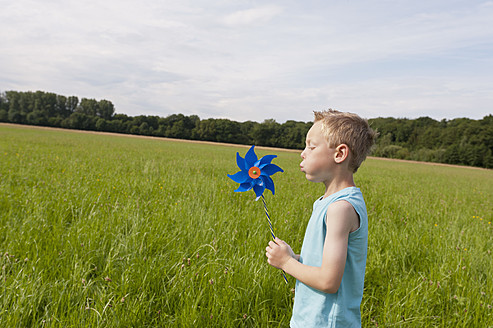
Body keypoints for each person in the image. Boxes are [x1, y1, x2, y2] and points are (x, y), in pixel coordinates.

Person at [265, 109, 377, 327]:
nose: (303, 153)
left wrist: (286, 262)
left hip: (327, 322)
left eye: (311, 146)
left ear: (339, 154)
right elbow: (324, 265)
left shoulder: (340, 208)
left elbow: (329, 281)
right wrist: (295, 259)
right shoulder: (328, 202)